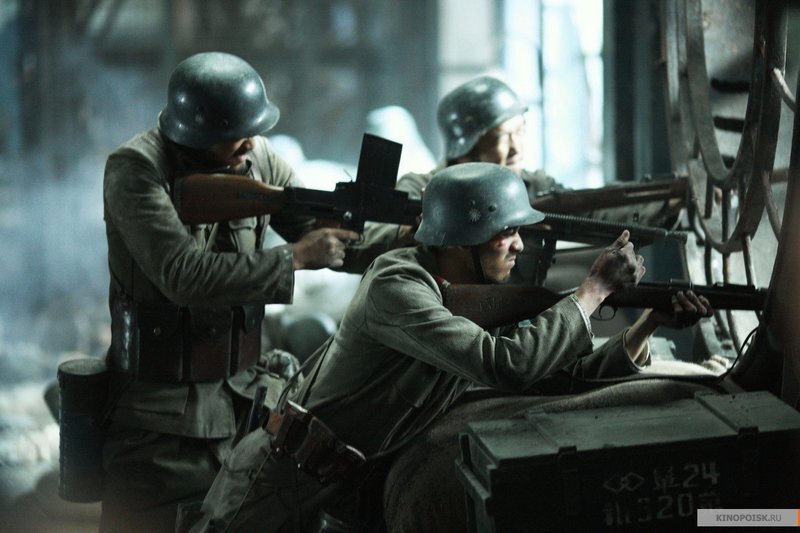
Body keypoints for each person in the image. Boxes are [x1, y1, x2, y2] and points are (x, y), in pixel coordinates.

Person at [186, 162, 712, 532]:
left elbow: (556, 376)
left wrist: (647, 324)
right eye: (507, 232)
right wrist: (592, 291)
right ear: (460, 239)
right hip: (278, 482)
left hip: (345, 491)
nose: (519, 244)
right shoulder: (397, 284)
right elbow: (506, 365)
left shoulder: (468, 294)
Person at [100, 51, 361, 532]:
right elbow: (183, 275)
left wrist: (412, 236)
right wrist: (295, 257)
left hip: (244, 401)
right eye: (237, 134)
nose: (252, 142)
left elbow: (314, 227)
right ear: (195, 134)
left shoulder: (256, 158)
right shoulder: (135, 170)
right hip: (161, 423)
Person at [349, 75, 682, 282]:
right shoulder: (423, 191)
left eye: (520, 131)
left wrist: (666, 203)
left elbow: (593, 211)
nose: (516, 148)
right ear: (465, 144)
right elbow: (364, 243)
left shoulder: (529, 188)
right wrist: (428, 227)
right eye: (500, 137)